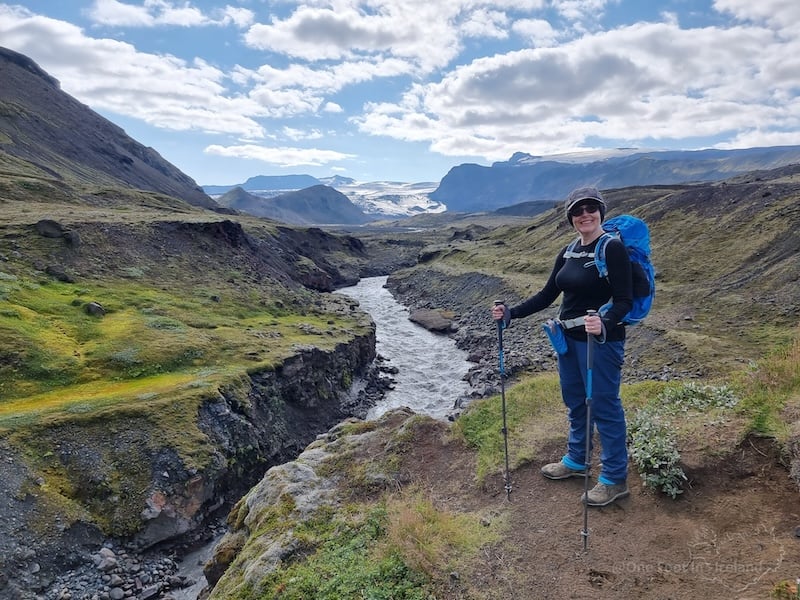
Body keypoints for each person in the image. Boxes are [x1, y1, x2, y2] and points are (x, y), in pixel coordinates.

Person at [491, 186, 633, 507]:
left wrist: (605, 323)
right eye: (578, 210)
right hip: (567, 340)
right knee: (576, 402)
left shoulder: (611, 249)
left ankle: (614, 479)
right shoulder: (568, 251)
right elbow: (546, 296)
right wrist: (511, 313)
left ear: (601, 212)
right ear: (570, 217)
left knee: (604, 406)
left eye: (590, 208)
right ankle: (577, 459)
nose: (585, 214)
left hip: (600, 342)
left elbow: (625, 300)